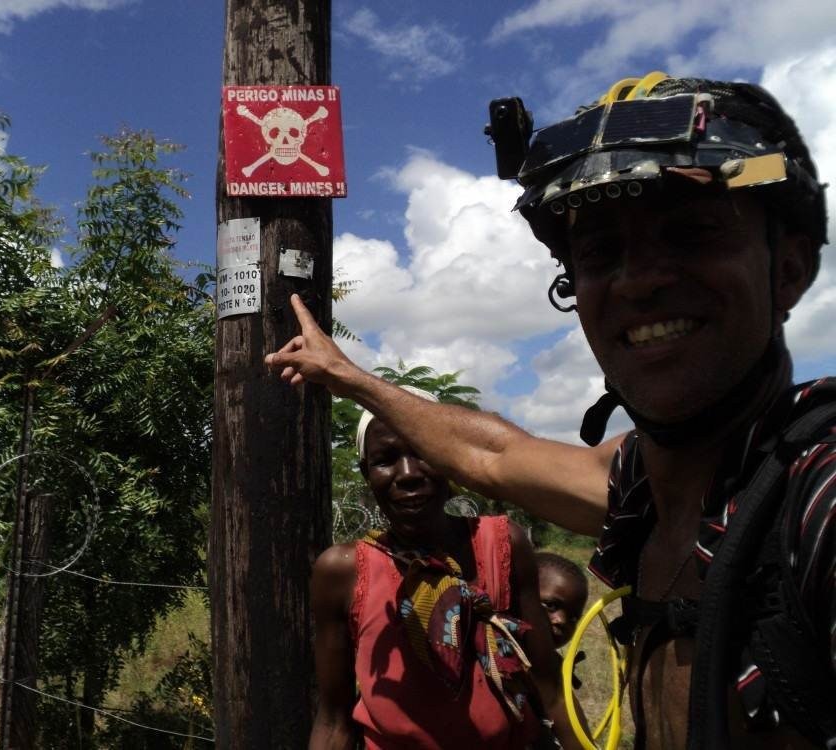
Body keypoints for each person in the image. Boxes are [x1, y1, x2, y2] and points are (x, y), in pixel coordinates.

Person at [268, 72, 835, 749]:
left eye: (691, 235)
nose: (640, 279)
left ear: (790, 268)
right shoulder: (641, 487)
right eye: (600, 251)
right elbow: (492, 455)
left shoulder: (814, 501)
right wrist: (351, 379)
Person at [310, 388, 578, 749]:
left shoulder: (502, 546)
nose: (407, 474)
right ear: (365, 474)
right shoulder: (343, 572)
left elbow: (550, 687)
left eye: (423, 452)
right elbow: (333, 720)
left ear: (450, 460)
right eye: (386, 459)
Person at [535, 552, 588, 650]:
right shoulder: (498, 653)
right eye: (550, 605)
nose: (561, 620)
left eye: (573, 618)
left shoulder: (558, 664)